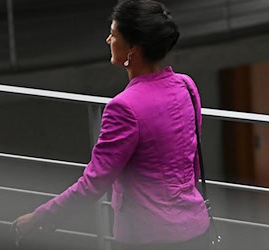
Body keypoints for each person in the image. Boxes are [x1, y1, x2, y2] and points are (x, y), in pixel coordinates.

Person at [13, 1, 210, 249]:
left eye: (114, 34)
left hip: (148, 238)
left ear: (132, 50)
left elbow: (94, 183)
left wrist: (41, 216)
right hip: (195, 229)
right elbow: (192, 163)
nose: (108, 40)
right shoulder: (186, 86)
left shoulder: (124, 108)